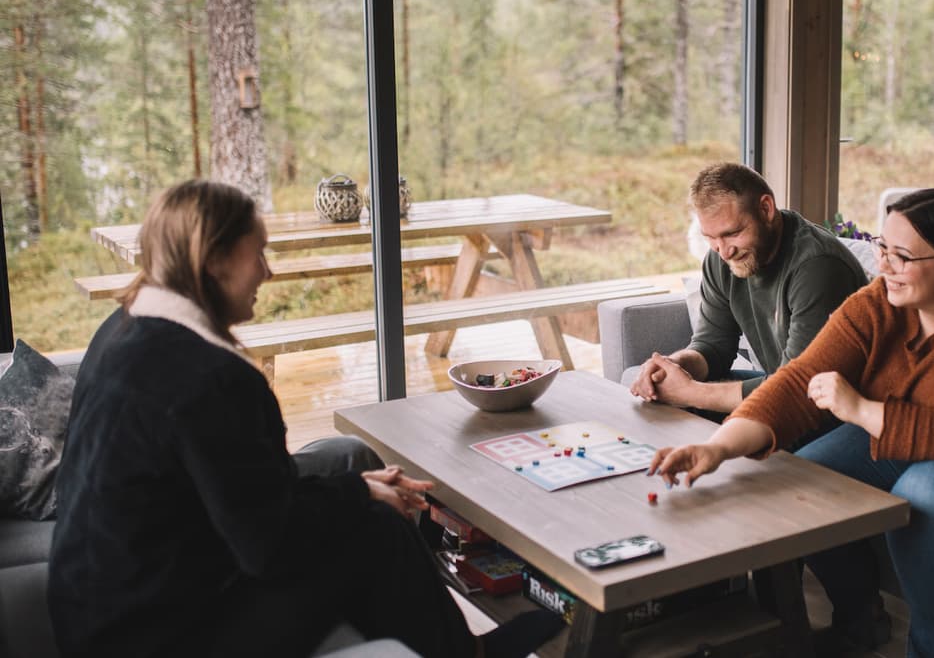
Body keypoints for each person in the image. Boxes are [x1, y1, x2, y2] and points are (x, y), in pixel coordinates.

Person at [48, 180, 561, 658]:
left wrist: (352, 486)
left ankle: (443, 638)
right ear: (213, 261)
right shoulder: (212, 379)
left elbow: (233, 492)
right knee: (375, 530)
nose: (267, 273)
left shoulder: (121, 330)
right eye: (258, 254)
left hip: (96, 614)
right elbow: (270, 549)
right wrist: (357, 496)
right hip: (161, 634)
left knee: (350, 472)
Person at [646, 188, 934, 658]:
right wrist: (718, 447)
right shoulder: (879, 300)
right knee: (803, 477)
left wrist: (859, 410)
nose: (885, 266)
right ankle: (859, 621)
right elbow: (797, 382)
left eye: (902, 256)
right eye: (882, 248)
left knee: (927, 488)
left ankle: (932, 652)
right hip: (916, 432)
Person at [630, 162, 867, 419]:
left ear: (766, 209)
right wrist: (675, 367)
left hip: (843, 409)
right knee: (658, 402)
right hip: (787, 388)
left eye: (732, 233)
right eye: (710, 237)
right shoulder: (721, 259)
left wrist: (690, 393)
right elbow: (713, 346)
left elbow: (800, 388)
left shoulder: (818, 267)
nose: (724, 251)